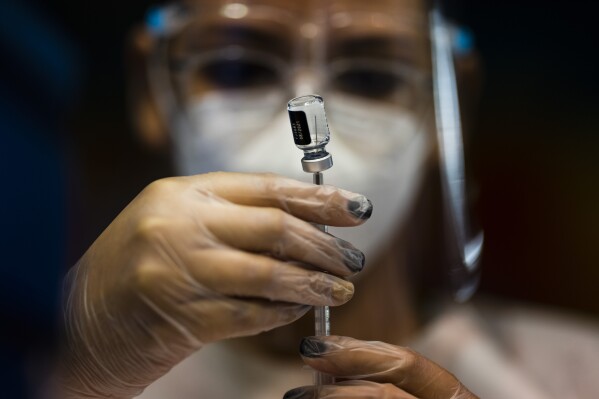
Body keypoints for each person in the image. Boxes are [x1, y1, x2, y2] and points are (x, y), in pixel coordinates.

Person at [61, 0, 599, 398]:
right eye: (238, 68)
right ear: (150, 87)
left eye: (369, 77)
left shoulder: (580, 376)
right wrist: (71, 366)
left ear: (448, 102)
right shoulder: (56, 373)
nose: (304, 109)